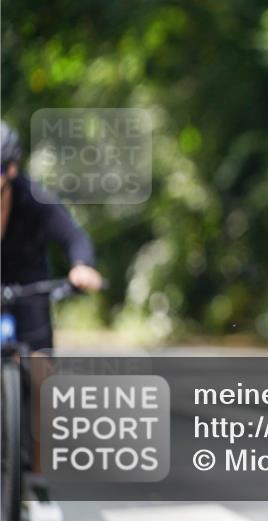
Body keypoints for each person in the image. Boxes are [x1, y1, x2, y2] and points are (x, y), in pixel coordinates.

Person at [1, 119, 103, 520]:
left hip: (29, 291)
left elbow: (74, 236)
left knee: (42, 374)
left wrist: (82, 267)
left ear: (10, 170)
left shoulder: (34, 199)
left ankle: (40, 485)